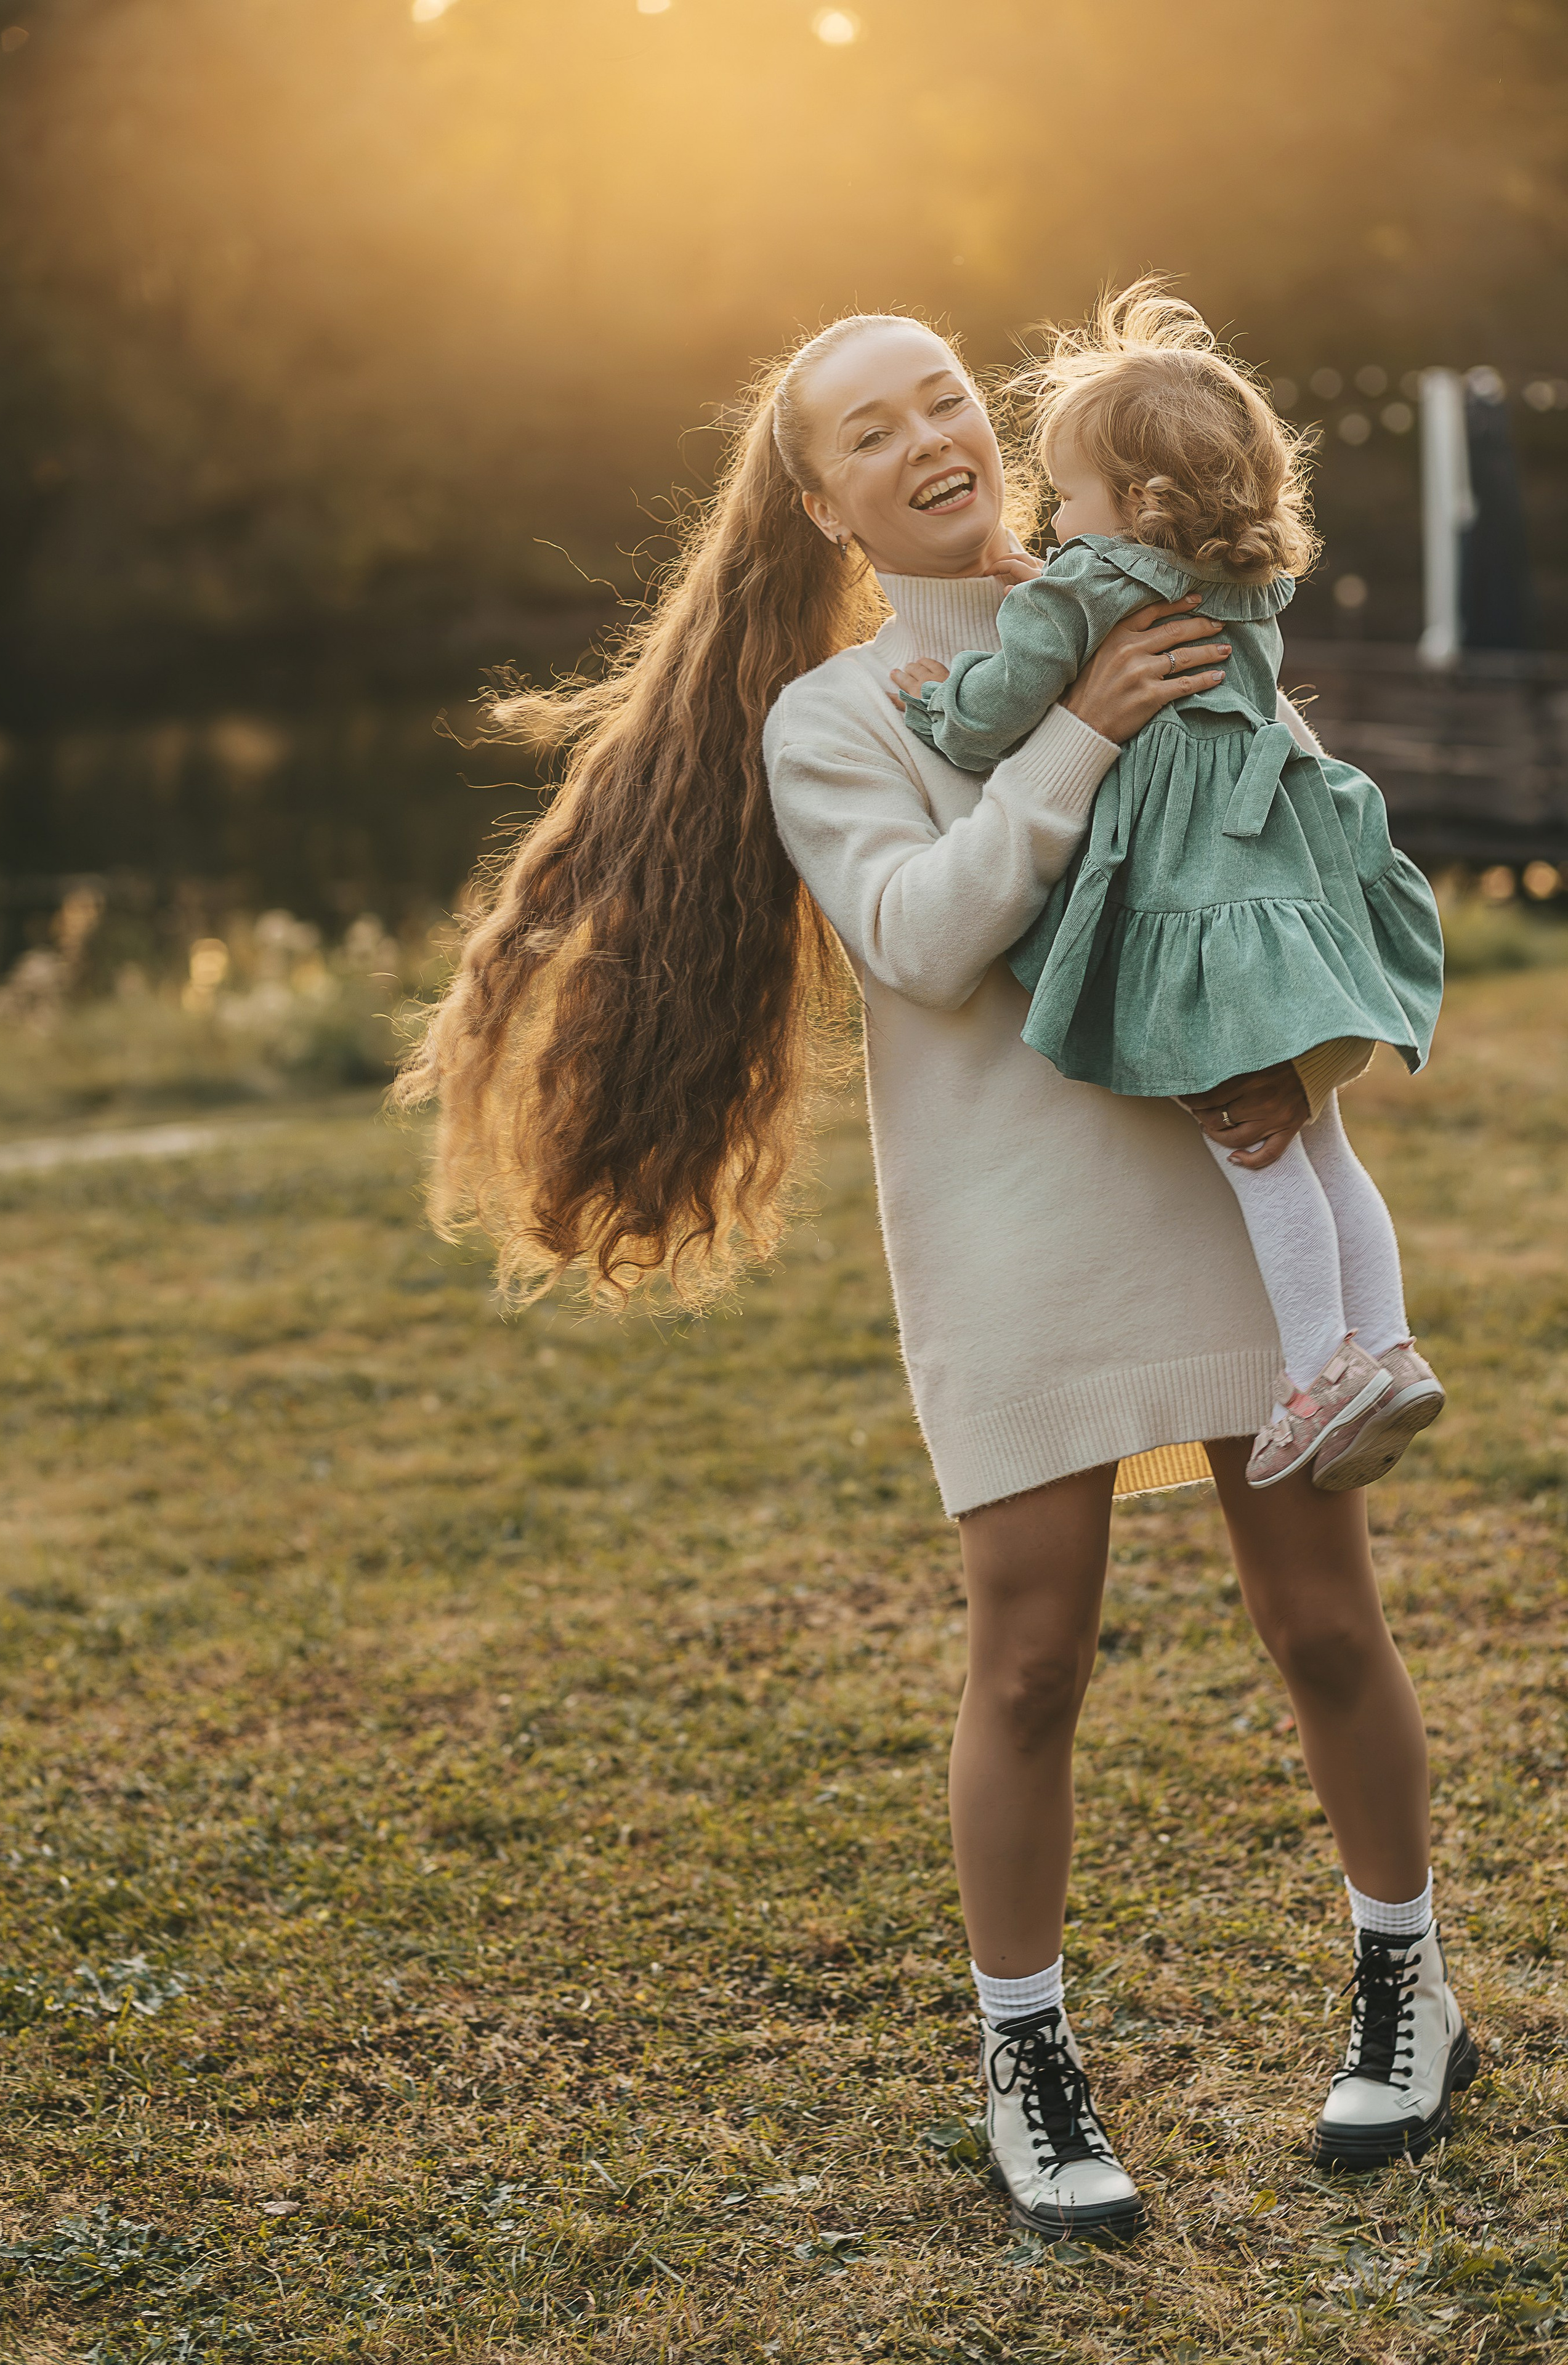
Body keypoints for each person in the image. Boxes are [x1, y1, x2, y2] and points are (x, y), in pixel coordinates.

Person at [398, 310, 1476, 2248]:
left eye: (944, 403)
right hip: (1009, 1240)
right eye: (870, 433)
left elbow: (1302, 861)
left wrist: (1303, 1064)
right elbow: (921, 938)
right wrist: (1080, 729)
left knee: (1324, 1626)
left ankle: (1412, 1990)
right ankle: (1025, 2060)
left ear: (995, 425)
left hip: (1218, 1198)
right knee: (1032, 1660)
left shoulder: (1162, 603)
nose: (925, 443)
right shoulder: (835, 718)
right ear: (825, 503)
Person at [894, 283, 1447, 1495]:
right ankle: (1390, 1345)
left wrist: (936, 698)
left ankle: (1320, 1371)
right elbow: (1113, 597)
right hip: (1283, 876)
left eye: (1066, 494)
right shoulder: (1241, 579)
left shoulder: (1090, 581)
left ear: (1132, 502)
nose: (1053, 516)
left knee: (1245, 1137)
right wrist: (1055, 574)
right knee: (1311, 1131)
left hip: (1193, 901)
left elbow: (995, 712)